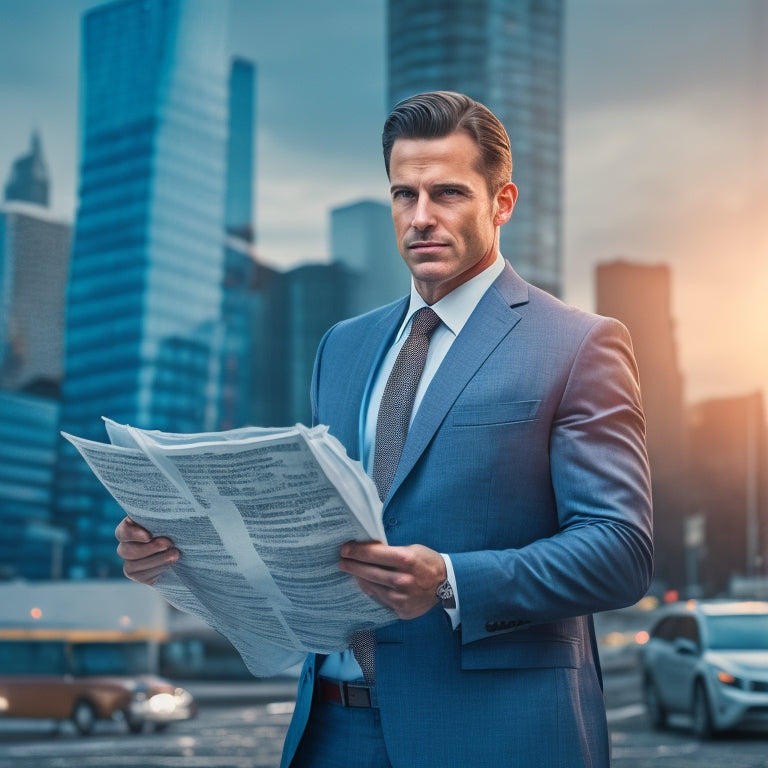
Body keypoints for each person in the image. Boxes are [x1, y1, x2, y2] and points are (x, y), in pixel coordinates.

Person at [116, 91, 653, 767]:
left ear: (503, 203)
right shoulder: (342, 346)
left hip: (494, 735)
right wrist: (177, 557)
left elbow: (621, 551)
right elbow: (307, 540)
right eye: (405, 194)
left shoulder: (579, 344)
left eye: (449, 193)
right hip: (331, 732)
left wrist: (452, 580)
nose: (421, 217)